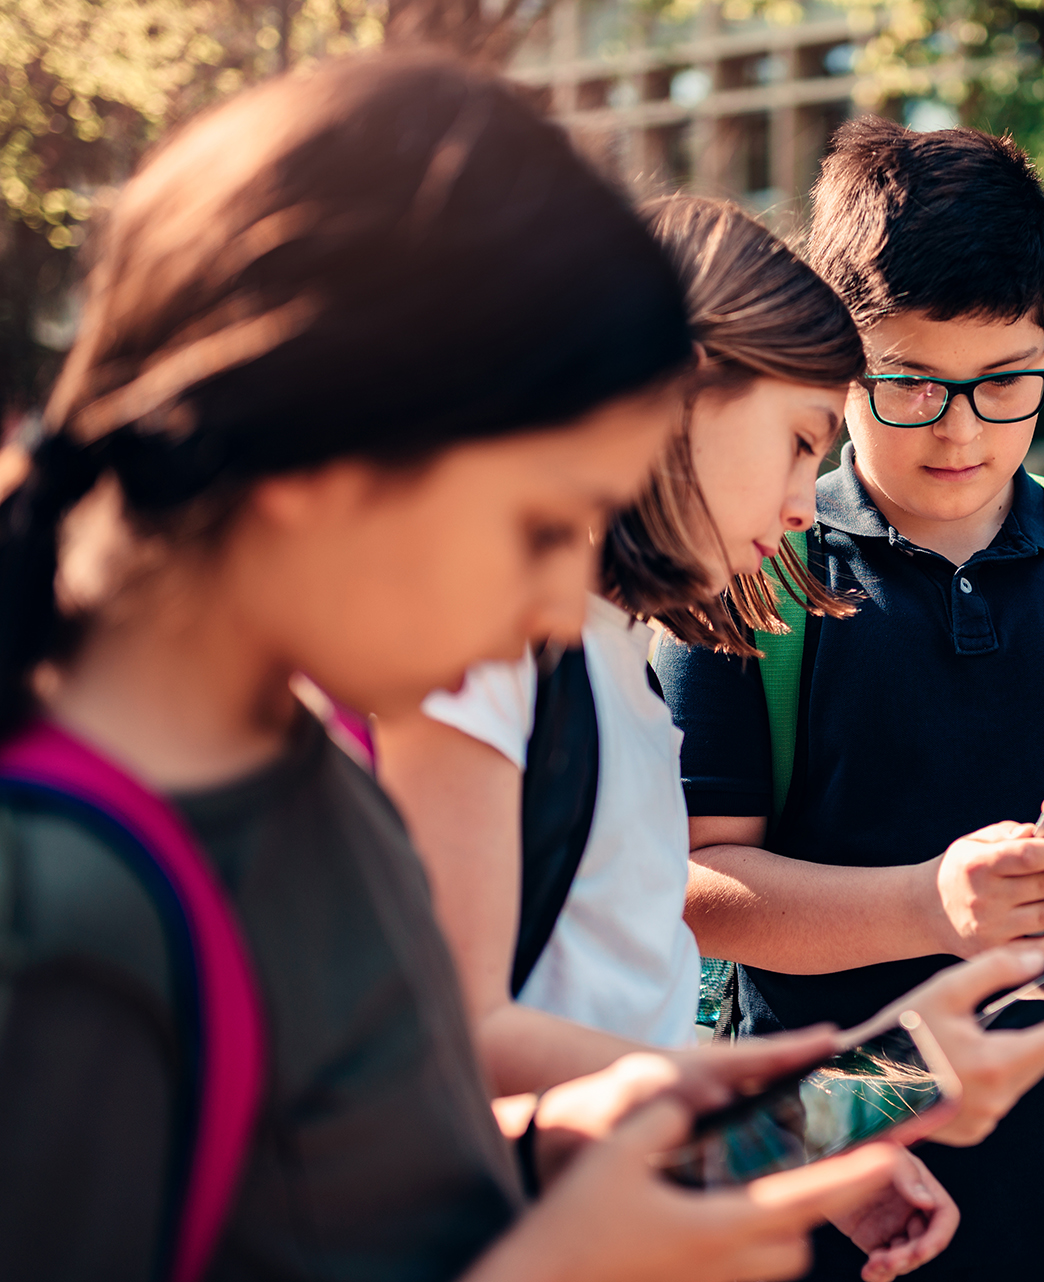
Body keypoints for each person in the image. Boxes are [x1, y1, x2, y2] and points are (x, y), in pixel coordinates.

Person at [0, 53, 952, 1281]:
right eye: (542, 526)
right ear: (327, 456)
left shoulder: (313, 791)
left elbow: (364, 1169)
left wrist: (577, 1140)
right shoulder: (59, 915)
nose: (562, 602)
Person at [374, 195, 1044, 1280]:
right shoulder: (487, 658)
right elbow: (461, 1044)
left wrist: (812, 1140)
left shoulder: (613, 665)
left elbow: (623, 1054)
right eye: (799, 441)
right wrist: (851, 1100)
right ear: (672, 394)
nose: (807, 503)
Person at [657, 117, 1044, 1282]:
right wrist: (932, 906)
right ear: (838, 366)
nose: (960, 430)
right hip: (836, 1171)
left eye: (1005, 383)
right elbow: (692, 887)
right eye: (912, 384)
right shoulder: (757, 559)